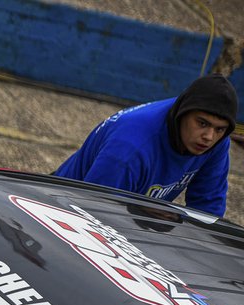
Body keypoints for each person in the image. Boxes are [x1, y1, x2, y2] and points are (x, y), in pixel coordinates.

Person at [54, 73, 237, 217]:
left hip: (124, 210)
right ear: (182, 113)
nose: (209, 137)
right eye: (202, 123)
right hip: (59, 206)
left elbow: (207, 210)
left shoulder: (216, 141)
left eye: (220, 129)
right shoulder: (129, 150)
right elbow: (90, 212)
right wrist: (142, 211)